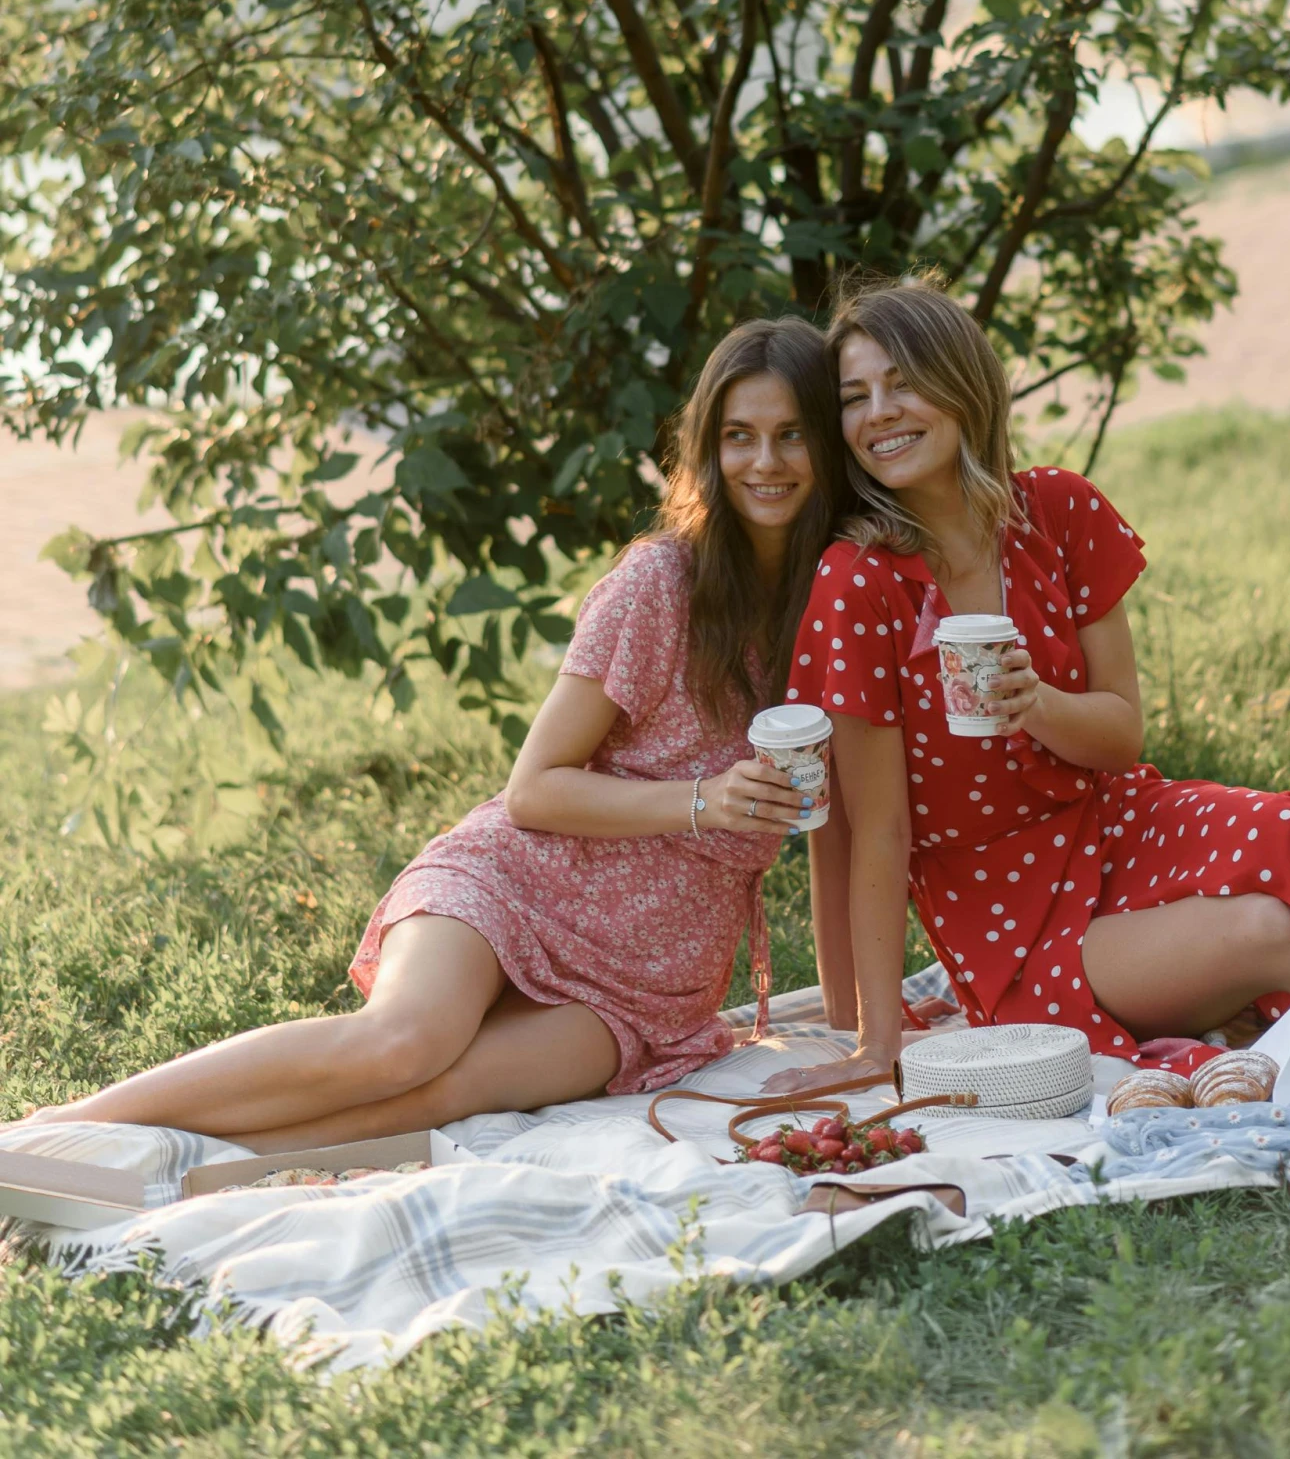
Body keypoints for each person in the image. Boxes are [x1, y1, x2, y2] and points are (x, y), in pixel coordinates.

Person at [27, 317, 845, 1146]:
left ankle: (159, 1166)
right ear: (709, 450)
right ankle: (58, 1131)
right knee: (401, 1046)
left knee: (438, 1096)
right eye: (740, 437)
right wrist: (703, 801)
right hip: (521, 885)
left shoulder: (840, 600)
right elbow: (534, 789)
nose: (765, 463)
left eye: (791, 437)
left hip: (651, 977)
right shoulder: (661, 583)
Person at [790, 277, 1290, 1082]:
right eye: (855, 396)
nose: (879, 411)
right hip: (1010, 927)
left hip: (1119, 824)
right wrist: (873, 1043)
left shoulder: (1057, 511)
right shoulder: (858, 583)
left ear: (965, 384)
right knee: (1267, 931)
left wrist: (1037, 704)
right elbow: (873, 832)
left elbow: (1122, 736)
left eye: (904, 382)